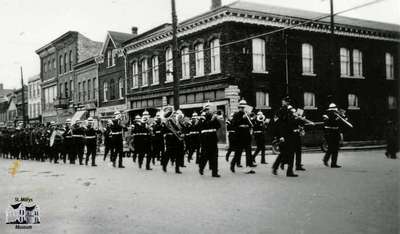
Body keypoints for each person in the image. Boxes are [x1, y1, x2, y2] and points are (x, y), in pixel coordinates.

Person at [272, 104, 299, 177]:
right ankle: (288, 171)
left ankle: (276, 167)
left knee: (284, 154)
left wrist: (297, 118)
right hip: (286, 137)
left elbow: (293, 124)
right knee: (287, 154)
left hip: (289, 136)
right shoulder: (284, 118)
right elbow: (281, 128)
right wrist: (280, 136)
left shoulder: (287, 117)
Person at [230, 100, 256, 174]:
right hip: (240, 135)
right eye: (242, 107)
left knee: (248, 152)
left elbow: (251, 125)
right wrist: (242, 118)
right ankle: (232, 164)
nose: (243, 109)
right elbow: (234, 124)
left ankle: (248, 167)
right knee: (238, 152)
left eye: (244, 107)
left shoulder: (247, 115)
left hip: (247, 135)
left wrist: (251, 118)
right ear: (239, 108)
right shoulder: (236, 114)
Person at [198, 104, 221, 177]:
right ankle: (201, 168)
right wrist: (211, 120)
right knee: (205, 156)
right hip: (205, 138)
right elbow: (203, 126)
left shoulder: (213, 117)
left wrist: (216, 119)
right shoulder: (202, 118)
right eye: (207, 110)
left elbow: (218, 126)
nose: (208, 111)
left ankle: (214, 172)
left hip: (213, 138)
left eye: (209, 110)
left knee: (214, 156)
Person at [162, 107, 183, 174]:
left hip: (176, 139)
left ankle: (177, 169)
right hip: (169, 139)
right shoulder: (166, 122)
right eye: (172, 115)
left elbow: (180, 129)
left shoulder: (176, 122)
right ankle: (164, 166)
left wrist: (180, 132)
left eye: (174, 115)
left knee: (177, 154)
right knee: (168, 153)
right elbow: (163, 131)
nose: (173, 116)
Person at [322, 103, 342, 168]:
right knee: (331, 148)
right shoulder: (326, 115)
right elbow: (327, 124)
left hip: (336, 132)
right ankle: (326, 159)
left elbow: (339, 124)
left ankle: (333, 163)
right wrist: (336, 119)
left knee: (335, 148)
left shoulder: (337, 115)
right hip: (329, 133)